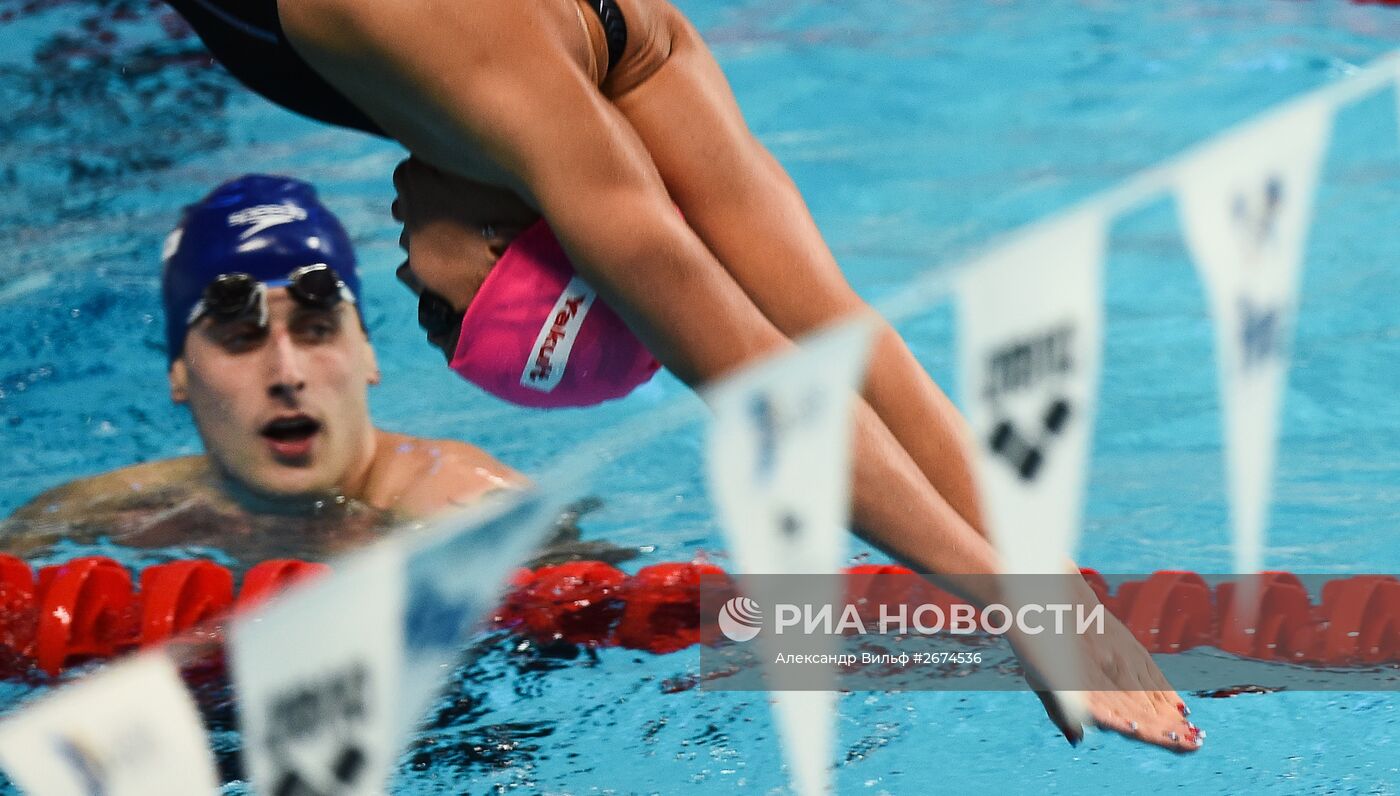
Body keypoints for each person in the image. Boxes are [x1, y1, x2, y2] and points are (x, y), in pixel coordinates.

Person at [157, 0, 1198, 749]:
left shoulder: (622, 46)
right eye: (439, 309)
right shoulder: (449, 47)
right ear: (502, 246)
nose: (397, 267)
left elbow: (833, 331)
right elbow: (765, 374)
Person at [0, 175, 620, 567]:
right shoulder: (106, 516)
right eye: (241, 340)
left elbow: (706, 637)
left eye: (316, 330)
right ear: (179, 375)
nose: (286, 373)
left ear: (369, 355)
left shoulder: (466, 508)